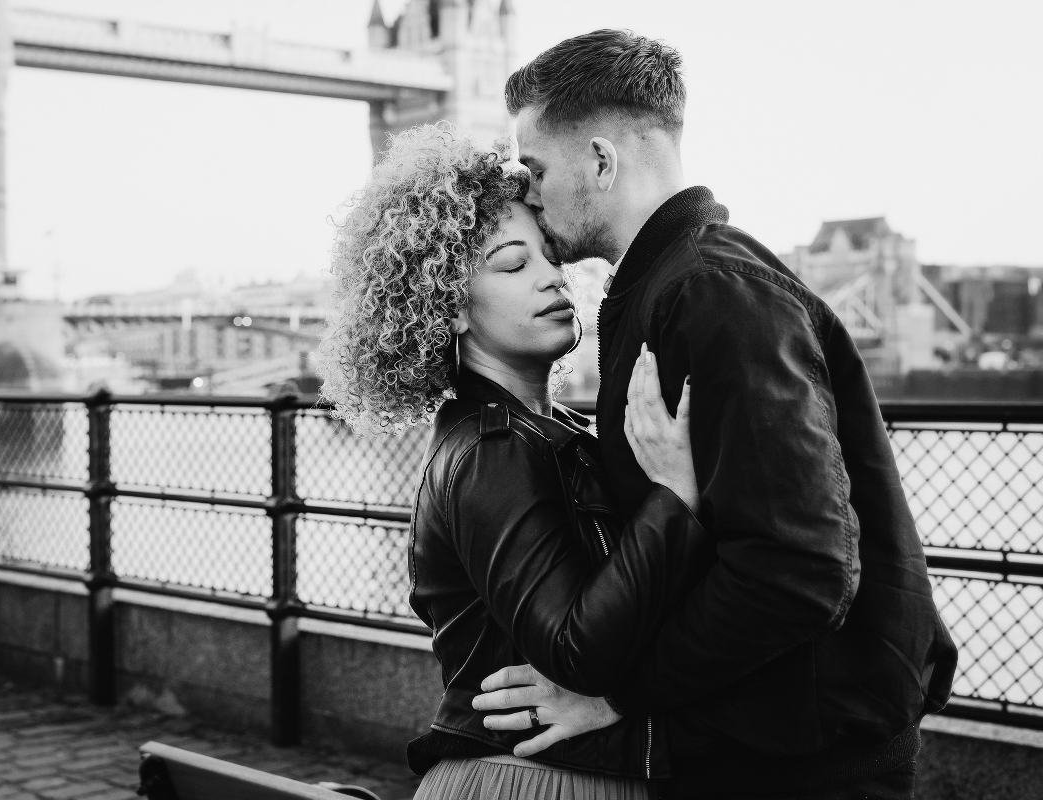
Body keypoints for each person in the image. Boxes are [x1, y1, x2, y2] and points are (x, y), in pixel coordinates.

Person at [473, 29, 959, 800]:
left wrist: (621, 694)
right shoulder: (672, 288)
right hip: (760, 739)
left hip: (807, 764)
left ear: (600, 161)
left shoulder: (711, 294)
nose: (527, 192)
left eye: (535, 170)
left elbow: (801, 569)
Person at [319, 122, 711, 800]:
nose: (552, 278)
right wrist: (674, 498)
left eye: (549, 258)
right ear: (448, 309)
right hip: (532, 781)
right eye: (511, 264)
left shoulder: (541, 435)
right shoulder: (491, 449)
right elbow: (575, 648)